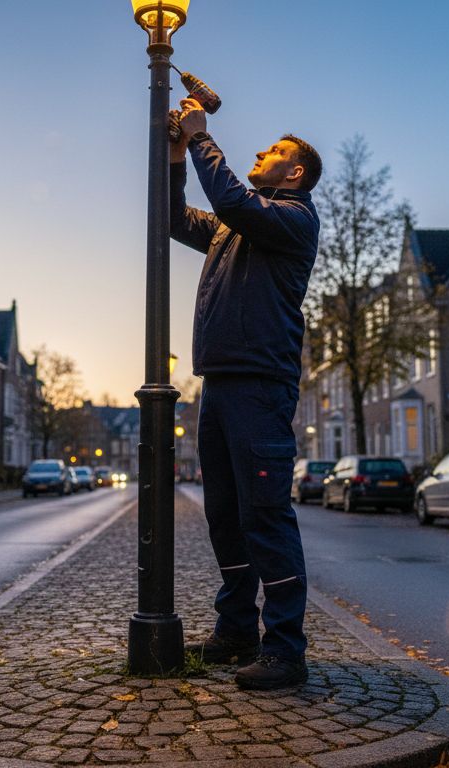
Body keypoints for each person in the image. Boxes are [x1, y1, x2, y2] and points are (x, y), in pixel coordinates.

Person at [169, 98, 322, 690]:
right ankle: (236, 630)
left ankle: (286, 651)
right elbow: (174, 217)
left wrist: (203, 137)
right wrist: (178, 153)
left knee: (266, 515)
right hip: (221, 381)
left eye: (274, 153)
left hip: (261, 385)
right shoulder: (234, 228)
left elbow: (231, 197)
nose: (263, 153)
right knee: (226, 516)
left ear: (295, 174)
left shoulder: (293, 219)